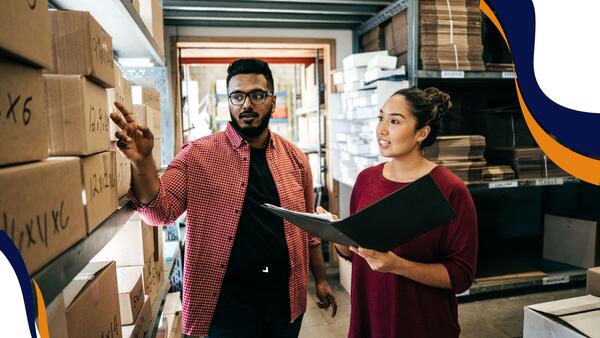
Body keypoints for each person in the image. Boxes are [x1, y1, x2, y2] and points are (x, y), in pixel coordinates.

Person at [110, 58, 337, 338]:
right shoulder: (197, 155)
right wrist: (142, 162)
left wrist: (322, 280)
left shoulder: (296, 159)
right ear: (228, 101)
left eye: (257, 95)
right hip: (227, 306)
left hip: (284, 300)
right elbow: (159, 212)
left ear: (272, 101)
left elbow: (309, 229)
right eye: (237, 96)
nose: (247, 105)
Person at [331, 87, 478, 338]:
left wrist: (398, 265)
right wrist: (337, 234)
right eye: (381, 118)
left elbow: (461, 276)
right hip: (370, 323)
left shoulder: (450, 189)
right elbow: (355, 254)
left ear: (422, 132)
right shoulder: (366, 179)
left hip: (423, 326)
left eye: (395, 121)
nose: (382, 129)